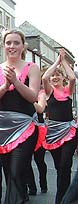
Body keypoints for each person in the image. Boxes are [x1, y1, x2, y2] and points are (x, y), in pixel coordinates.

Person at [0, 29, 41, 204]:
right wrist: (5, 86)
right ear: (3, 45)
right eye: (8, 43)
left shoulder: (32, 68)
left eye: (16, 42)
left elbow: (33, 97)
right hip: (2, 128)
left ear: (23, 46)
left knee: (17, 172)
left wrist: (16, 82)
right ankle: (22, 197)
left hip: (25, 127)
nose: (12, 46)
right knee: (10, 173)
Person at [41, 49, 77, 204]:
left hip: (69, 131)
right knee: (59, 168)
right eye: (54, 75)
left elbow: (72, 77)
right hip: (53, 133)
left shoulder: (68, 91)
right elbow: (44, 77)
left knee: (65, 164)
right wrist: (56, 62)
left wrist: (63, 62)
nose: (55, 77)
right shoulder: (49, 92)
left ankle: (62, 199)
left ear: (63, 78)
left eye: (58, 75)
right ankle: (66, 195)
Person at [25, 89, 48, 196]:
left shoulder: (41, 92)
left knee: (39, 160)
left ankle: (43, 184)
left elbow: (40, 108)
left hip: (38, 130)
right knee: (26, 161)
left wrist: (25, 98)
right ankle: (31, 187)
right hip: (25, 128)